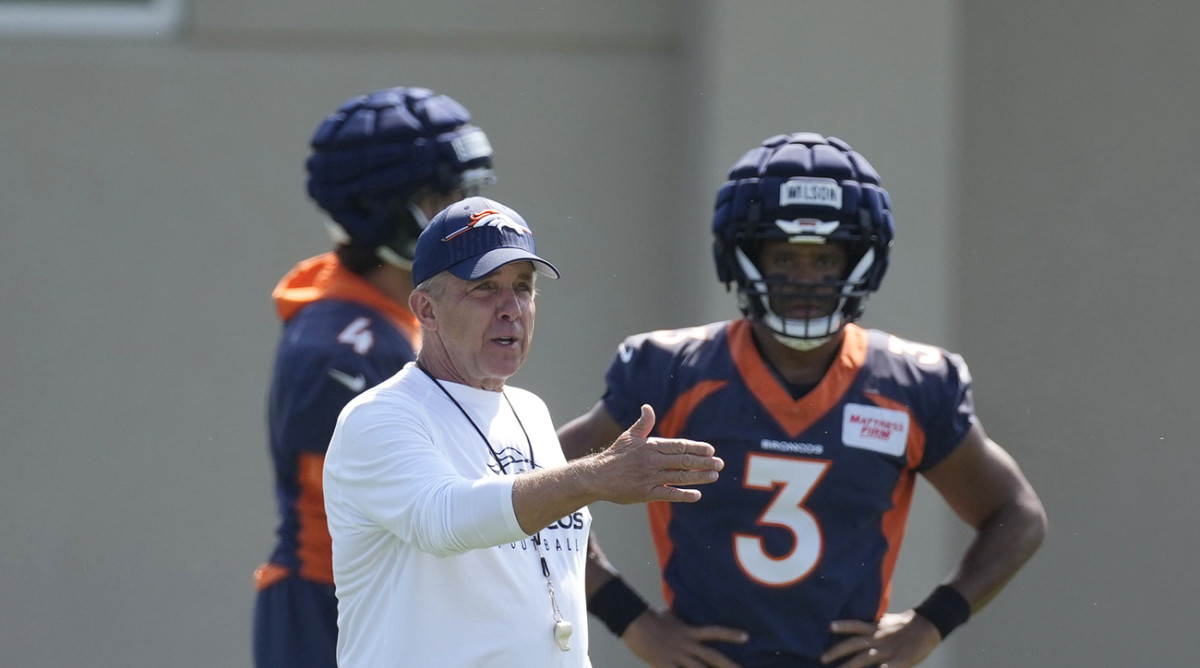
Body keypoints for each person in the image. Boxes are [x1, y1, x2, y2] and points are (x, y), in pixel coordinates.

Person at [558, 132, 1048, 668]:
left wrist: (930, 624)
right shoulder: (673, 371)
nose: (804, 279)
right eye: (784, 257)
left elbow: (1017, 515)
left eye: (825, 259)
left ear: (860, 261)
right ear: (744, 256)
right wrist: (629, 617)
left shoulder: (911, 385)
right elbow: (539, 478)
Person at [320, 195, 726, 667]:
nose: (511, 307)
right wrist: (593, 477)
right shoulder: (379, 416)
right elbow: (443, 520)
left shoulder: (529, 412)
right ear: (426, 310)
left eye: (524, 286)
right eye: (485, 287)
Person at [252, 86, 497, 668]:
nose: (461, 214)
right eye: (441, 196)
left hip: (404, 597)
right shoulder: (340, 350)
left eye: (466, 192)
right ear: (376, 209)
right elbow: (424, 510)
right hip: (336, 608)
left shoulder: (403, 313)